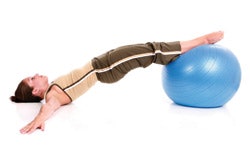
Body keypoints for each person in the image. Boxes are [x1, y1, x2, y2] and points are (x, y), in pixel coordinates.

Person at [10, 31, 224, 134]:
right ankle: (201, 41)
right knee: (152, 50)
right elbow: (50, 106)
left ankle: (186, 49)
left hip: (104, 63)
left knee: (149, 49)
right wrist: (38, 119)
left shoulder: (53, 87)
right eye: (31, 78)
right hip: (106, 67)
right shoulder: (52, 94)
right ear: (37, 91)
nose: (35, 74)